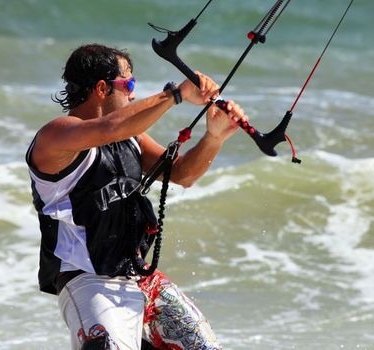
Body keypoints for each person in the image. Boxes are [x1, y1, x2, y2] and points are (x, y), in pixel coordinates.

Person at [25, 44, 248, 350]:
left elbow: (183, 174)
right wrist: (176, 94)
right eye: (128, 84)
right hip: (90, 283)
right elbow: (109, 127)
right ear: (102, 89)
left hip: (140, 279)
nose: (132, 94)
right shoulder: (56, 136)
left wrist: (214, 137)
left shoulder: (130, 138)